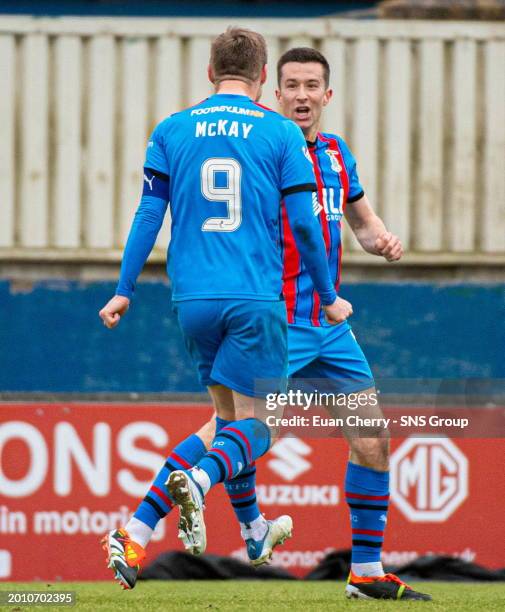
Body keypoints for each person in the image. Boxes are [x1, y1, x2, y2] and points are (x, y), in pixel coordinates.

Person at [98, 28, 351, 590]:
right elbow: (307, 226)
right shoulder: (281, 132)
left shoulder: (171, 129)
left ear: (210, 72)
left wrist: (124, 289)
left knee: (226, 422)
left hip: (191, 301)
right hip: (254, 298)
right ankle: (201, 481)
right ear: (264, 78)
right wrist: (328, 296)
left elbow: (147, 215)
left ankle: (180, 529)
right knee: (260, 429)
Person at [274, 47, 431, 601]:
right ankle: (140, 524)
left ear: (327, 95)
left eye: (311, 85)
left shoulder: (339, 154)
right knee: (238, 434)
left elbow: (360, 222)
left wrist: (381, 239)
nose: (301, 95)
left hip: (331, 325)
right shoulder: (269, 150)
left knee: (372, 439)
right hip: (281, 322)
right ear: (277, 95)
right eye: (291, 85)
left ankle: (365, 573)